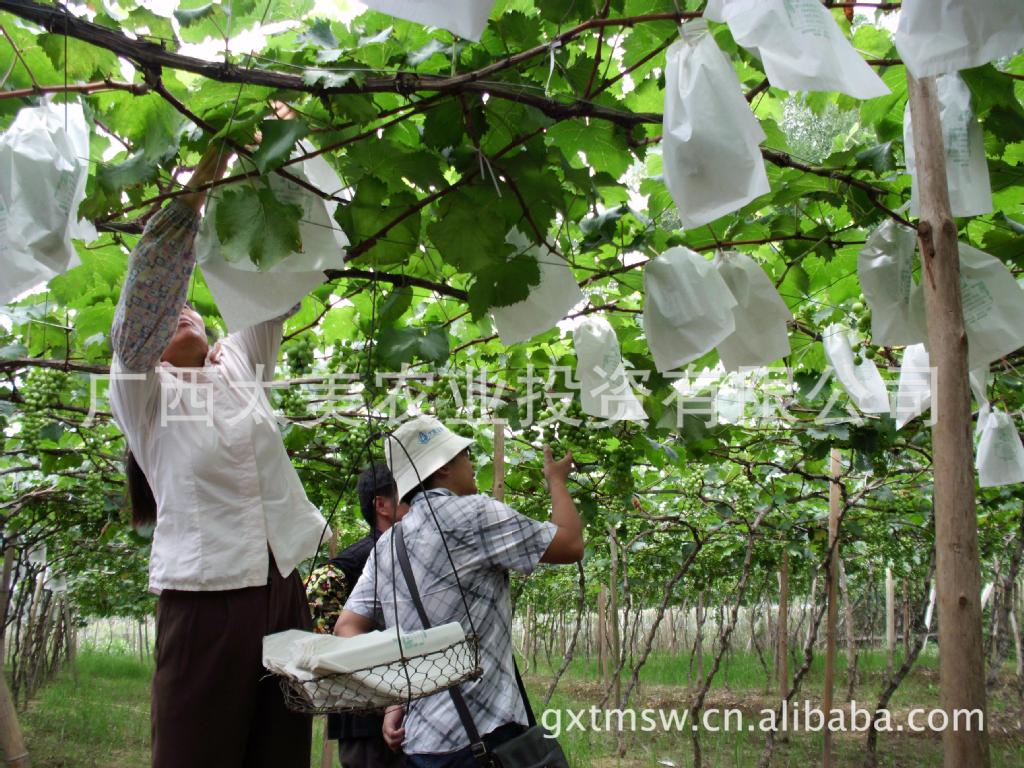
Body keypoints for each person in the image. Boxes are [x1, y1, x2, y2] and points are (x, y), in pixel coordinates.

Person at [108, 142, 329, 768]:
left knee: (280, 754)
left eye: (192, 305)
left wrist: (280, 157)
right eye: (168, 311)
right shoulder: (144, 394)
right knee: (196, 755)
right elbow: (146, 299)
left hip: (283, 590)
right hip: (205, 601)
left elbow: (275, 285)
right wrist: (198, 189)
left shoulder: (239, 365)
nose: (179, 309)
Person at [334, 415, 584, 767]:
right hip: (486, 737)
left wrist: (394, 697)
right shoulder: (475, 514)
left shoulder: (389, 545)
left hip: (420, 745)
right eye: (465, 455)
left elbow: (346, 628)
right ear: (444, 468)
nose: (471, 462)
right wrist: (556, 482)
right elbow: (570, 544)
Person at [306, 464, 407, 767]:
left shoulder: (401, 551)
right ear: (382, 505)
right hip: (366, 724)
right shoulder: (359, 559)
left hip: (393, 715)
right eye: (409, 496)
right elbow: (317, 602)